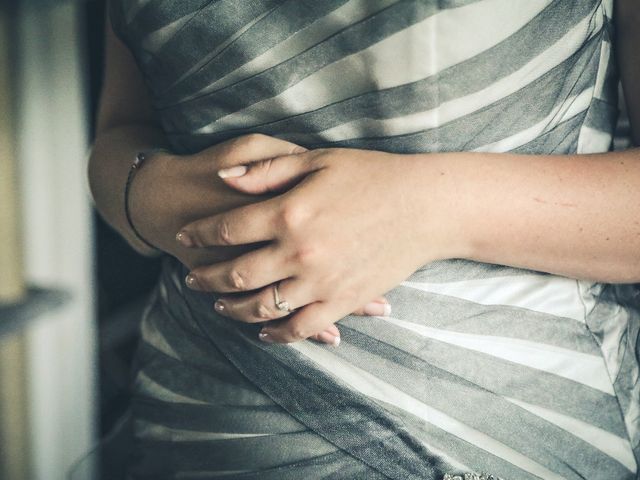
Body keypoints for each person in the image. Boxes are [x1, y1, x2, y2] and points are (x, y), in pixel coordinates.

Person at [89, 1, 640, 478]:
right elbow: (118, 134)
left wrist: (433, 209)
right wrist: (150, 195)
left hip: (496, 431)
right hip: (189, 421)